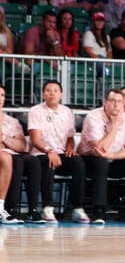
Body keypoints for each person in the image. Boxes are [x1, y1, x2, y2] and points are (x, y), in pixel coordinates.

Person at [77, 89, 125, 224]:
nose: (116, 105)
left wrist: (112, 155)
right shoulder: (93, 116)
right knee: (101, 162)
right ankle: (99, 210)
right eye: (113, 101)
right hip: (90, 160)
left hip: (113, 158)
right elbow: (99, 148)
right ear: (105, 102)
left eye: (119, 102)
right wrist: (115, 126)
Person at [28, 81, 89, 223]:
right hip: (41, 153)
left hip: (61, 153)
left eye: (55, 90)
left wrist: (69, 148)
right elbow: (35, 139)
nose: (52, 93)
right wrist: (49, 150)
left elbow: (70, 137)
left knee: (78, 163)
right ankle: (47, 208)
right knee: (49, 163)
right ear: (43, 94)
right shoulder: (35, 111)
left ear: (61, 94)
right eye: (48, 90)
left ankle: (77, 208)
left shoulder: (66, 111)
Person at [1, 85, 42, 223]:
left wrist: (4, 139)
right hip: (6, 156)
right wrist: (11, 141)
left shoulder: (12, 121)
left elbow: (22, 146)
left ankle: (33, 210)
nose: (0, 98)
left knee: (33, 161)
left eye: (2, 95)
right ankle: (9, 209)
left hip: (13, 153)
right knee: (16, 161)